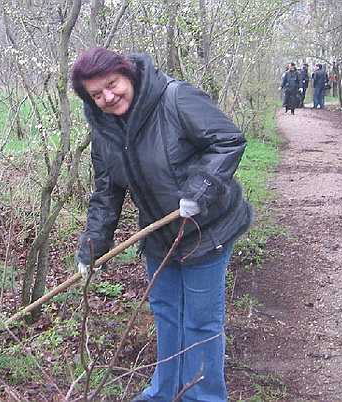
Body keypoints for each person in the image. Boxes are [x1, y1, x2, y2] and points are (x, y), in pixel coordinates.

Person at [71, 47, 253, 401]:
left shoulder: (175, 98)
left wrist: (200, 187)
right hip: (158, 235)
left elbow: (228, 140)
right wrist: (93, 248)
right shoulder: (103, 133)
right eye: (97, 94)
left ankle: (204, 396)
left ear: (128, 75)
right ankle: (164, 391)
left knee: (201, 321)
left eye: (112, 84)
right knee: (167, 315)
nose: (108, 97)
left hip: (206, 229)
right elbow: (107, 193)